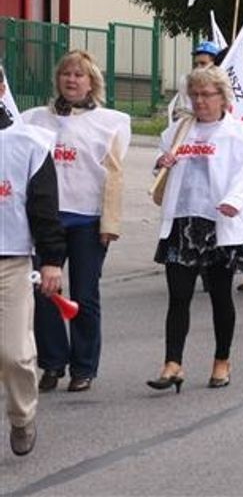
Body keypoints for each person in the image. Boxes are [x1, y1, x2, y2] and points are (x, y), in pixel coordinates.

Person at [147, 66, 243, 393]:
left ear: (222, 97)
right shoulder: (178, 131)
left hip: (219, 223)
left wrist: (234, 200)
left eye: (206, 94)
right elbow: (160, 167)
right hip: (183, 222)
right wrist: (161, 163)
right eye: (194, 94)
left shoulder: (238, 134)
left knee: (220, 296)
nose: (199, 101)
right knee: (179, 296)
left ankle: (221, 360)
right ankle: (172, 363)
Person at [24, 50, 131, 394]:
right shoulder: (34, 120)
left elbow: (114, 176)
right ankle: (52, 362)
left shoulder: (111, 122)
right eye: (66, 74)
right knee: (45, 294)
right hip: (46, 222)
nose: (71, 80)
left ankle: (84, 367)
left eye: (79, 75)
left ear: (92, 82)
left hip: (87, 220)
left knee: (84, 293)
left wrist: (109, 223)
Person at [0, 69, 65, 455]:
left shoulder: (26, 143)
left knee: (13, 352)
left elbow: (43, 208)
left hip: (10, 262)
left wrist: (52, 259)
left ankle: (22, 415)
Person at [167, 41, 222, 124]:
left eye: (203, 63)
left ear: (216, 64)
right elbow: (184, 110)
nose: (199, 67)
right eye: (196, 64)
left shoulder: (223, 84)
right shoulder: (187, 81)